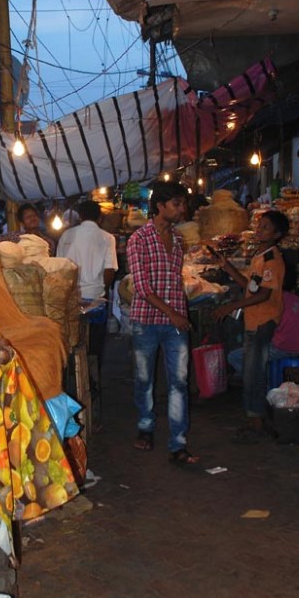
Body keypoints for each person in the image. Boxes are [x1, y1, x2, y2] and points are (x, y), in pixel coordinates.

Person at [126, 180, 198, 464]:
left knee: (178, 382)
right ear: (160, 206)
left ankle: (178, 443)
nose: (182, 209)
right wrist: (174, 314)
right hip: (147, 321)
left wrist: (176, 314)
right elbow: (142, 288)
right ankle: (146, 427)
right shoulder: (138, 240)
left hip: (175, 321)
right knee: (144, 380)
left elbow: (174, 279)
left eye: (183, 204)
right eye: (177, 204)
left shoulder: (179, 240)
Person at [213, 209, 290, 442]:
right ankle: (255, 418)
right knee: (251, 371)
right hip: (254, 320)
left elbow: (264, 295)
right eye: (260, 225)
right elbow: (251, 286)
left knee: (253, 373)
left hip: (263, 321)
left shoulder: (271, 259)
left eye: (266, 227)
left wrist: (231, 306)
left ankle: (256, 421)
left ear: (277, 234)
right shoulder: (260, 255)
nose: (260, 229)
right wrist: (228, 268)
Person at [57, 200, 118, 368]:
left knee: (72, 344)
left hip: (70, 299)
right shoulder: (107, 238)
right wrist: (103, 291)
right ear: (100, 219)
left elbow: (59, 269)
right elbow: (109, 270)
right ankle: (93, 380)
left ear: (80, 216)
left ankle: (74, 377)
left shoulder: (66, 236)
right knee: (95, 348)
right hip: (96, 300)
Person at [227, 290, 299, 378]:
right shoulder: (294, 298)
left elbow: (264, 330)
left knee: (234, 357)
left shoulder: (274, 302)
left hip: (283, 348)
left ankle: (263, 382)